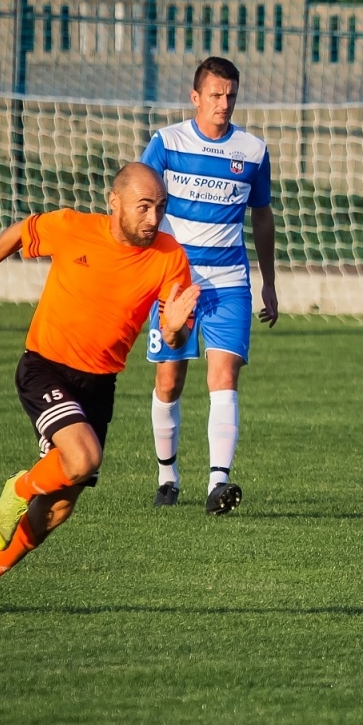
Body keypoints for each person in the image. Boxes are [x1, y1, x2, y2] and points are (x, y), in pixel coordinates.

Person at [0, 164, 198, 614]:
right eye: (144, 206)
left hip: (98, 385)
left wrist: (173, 330)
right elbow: (20, 232)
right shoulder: (74, 228)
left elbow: (175, 335)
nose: (154, 218)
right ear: (114, 203)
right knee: (82, 458)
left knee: (56, 510)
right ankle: (18, 489)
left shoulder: (171, 257)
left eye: (161, 207)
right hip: (45, 368)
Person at [141, 55, 278, 515]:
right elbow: (139, 199)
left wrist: (270, 284)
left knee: (224, 377)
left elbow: (262, 216)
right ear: (195, 97)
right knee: (169, 381)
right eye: (216, 95)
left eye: (231, 95)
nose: (224, 103)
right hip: (175, 282)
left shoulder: (253, 152)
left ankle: (218, 484)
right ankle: (167, 475)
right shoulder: (166, 142)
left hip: (229, 282)